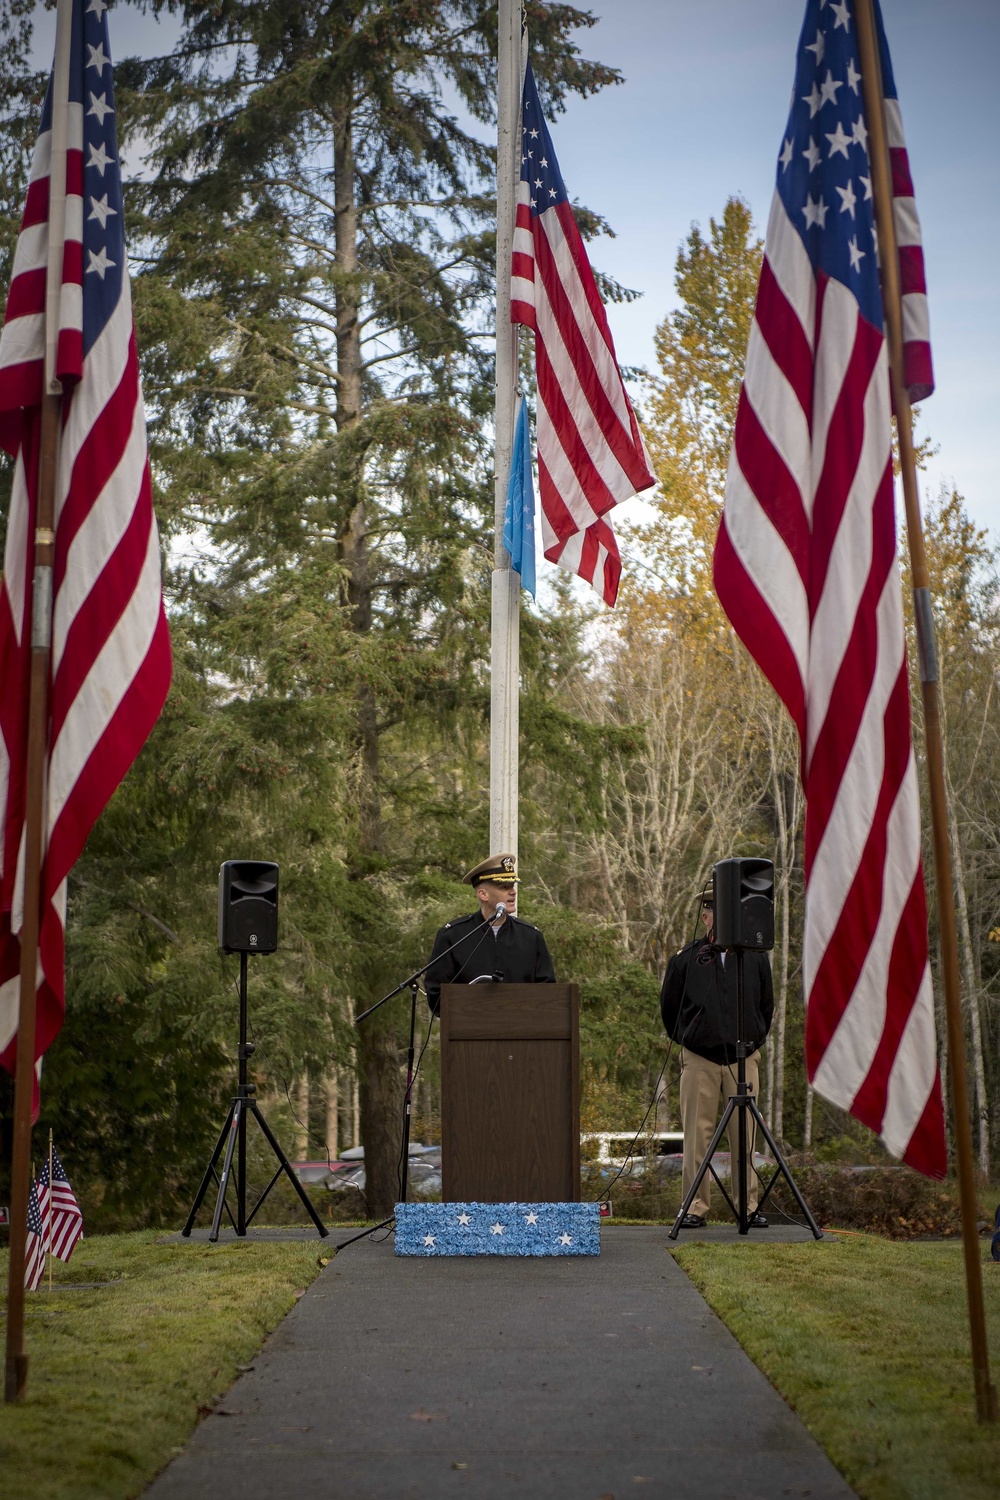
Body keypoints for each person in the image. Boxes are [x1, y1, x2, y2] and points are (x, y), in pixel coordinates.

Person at [660, 887, 774, 1229]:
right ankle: (694, 1206)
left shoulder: (754, 958)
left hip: (744, 1058)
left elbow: (765, 1006)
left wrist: (753, 1041)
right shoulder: (687, 959)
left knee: (745, 1134)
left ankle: (748, 1208)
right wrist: (692, 1041)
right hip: (700, 1060)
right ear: (705, 917)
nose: (712, 918)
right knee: (698, 1135)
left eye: (719, 912)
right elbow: (670, 1009)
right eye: (708, 913)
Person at [425, 853, 555, 1014]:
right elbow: (437, 996)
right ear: (483, 894)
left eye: (513, 885)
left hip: (522, 1033)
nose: (513, 892)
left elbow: (548, 993)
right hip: (468, 1034)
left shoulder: (531, 937)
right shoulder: (453, 936)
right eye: (504, 887)